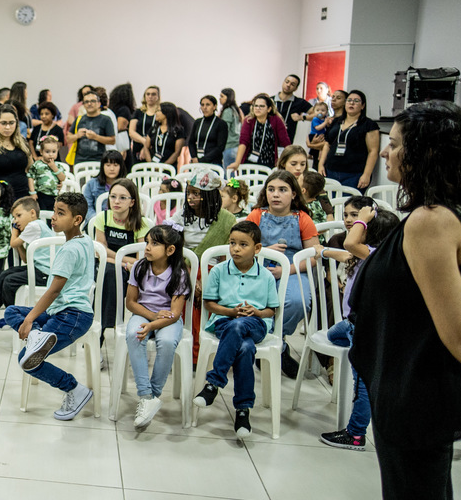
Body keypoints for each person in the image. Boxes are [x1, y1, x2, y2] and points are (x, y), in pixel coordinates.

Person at [345, 102, 461, 500]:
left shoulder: (431, 221)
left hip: (416, 387)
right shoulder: (447, 210)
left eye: (397, 144)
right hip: (411, 380)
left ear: (425, 153)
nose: (388, 154)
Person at [0, 192, 97, 421]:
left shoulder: (69, 250)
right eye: (54, 211)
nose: (53, 217)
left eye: (60, 213)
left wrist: (31, 318)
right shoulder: (83, 241)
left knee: (26, 359)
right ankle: (37, 336)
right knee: (12, 311)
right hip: (63, 312)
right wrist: (30, 319)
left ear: (77, 219)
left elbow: (53, 290)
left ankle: (74, 388)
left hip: (73, 316)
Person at [317, 203, 399, 452]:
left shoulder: (375, 253)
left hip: (364, 328)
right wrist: (323, 252)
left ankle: (355, 434)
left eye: (360, 226)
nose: (353, 225)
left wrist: (363, 218)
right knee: (334, 334)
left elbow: (349, 245)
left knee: (361, 381)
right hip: (352, 323)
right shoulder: (373, 254)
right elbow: (344, 252)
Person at [193, 220, 281, 438]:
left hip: (257, 324)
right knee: (244, 347)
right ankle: (243, 410)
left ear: (257, 249)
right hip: (225, 321)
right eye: (232, 243)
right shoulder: (219, 271)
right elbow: (209, 304)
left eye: (243, 244)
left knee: (241, 325)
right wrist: (232, 312)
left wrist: (257, 312)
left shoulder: (266, 276)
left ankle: (214, 382)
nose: (236, 248)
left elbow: (272, 310)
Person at [246, 170, 320, 377]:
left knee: (297, 301)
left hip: (293, 270)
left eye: (282, 190)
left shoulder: (302, 218)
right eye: (271, 189)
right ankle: (275, 347)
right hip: (259, 268)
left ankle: (275, 339)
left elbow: (313, 256)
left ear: (294, 194)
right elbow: (240, 246)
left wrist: (286, 270)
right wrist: (265, 249)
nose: (276, 194)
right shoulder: (256, 215)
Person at [125, 224, 192, 428]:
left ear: (170, 250)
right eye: (147, 242)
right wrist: (152, 319)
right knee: (134, 334)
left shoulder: (179, 274)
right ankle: (146, 396)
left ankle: (154, 394)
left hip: (169, 318)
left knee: (167, 341)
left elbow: (175, 314)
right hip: (145, 312)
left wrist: (155, 325)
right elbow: (131, 303)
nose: (147, 247)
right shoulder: (139, 266)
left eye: (154, 244)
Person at [0, 196, 55, 325]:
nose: (15, 220)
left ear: (32, 213)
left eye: (18, 215)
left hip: (45, 273)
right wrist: (19, 240)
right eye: (14, 217)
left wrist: (14, 231)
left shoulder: (34, 226)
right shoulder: (34, 227)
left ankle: (12, 318)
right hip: (37, 268)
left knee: (9, 282)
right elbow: (25, 258)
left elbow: (12, 243)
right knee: (5, 274)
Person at [91, 180, 153, 334]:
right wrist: (123, 261)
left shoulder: (142, 223)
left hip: (129, 270)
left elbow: (140, 259)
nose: (116, 201)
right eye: (113, 196)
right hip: (109, 265)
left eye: (122, 198)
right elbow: (100, 252)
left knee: (112, 274)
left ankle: (100, 327)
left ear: (132, 202)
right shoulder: (103, 218)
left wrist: (117, 259)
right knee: (109, 272)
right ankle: (105, 325)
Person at [319, 89, 380, 191]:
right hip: (330, 170)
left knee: (348, 204)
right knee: (328, 204)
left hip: (353, 174)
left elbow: (373, 151)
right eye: (349, 100)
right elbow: (327, 144)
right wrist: (321, 164)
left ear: (363, 106)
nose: (352, 103)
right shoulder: (336, 122)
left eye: (356, 101)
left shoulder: (369, 125)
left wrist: (366, 174)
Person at [178, 172, 237, 256]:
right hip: (186, 263)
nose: (190, 197)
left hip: (215, 266)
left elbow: (225, 254)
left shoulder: (227, 219)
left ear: (208, 196)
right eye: (188, 193)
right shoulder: (181, 216)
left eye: (195, 193)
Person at [230, 94, 290, 170]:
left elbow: (285, 142)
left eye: (261, 106)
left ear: (269, 109)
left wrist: (287, 161)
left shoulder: (276, 120)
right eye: (256, 106)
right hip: (249, 161)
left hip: (269, 163)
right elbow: (243, 142)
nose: (258, 108)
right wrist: (237, 162)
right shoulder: (248, 121)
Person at [67, 91, 116, 165]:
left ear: (99, 104)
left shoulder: (106, 119)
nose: (89, 104)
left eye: (92, 101)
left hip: (99, 161)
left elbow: (112, 140)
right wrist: (77, 135)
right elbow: (68, 139)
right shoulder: (79, 119)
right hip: (80, 161)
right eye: (86, 102)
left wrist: (95, 137)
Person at [28, 136, 65, 212]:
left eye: (54, 152)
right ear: (41, 151)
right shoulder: (37, 165)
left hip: (54, 195)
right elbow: (30, 177)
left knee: (53, 214)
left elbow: (62, 178)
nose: (51, 154)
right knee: (42, 213)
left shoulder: (58, 166)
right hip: (41, 195)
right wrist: (32, 192)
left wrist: (54, 168)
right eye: (47, 152)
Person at [189, 95, 228, 167]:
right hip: (197, 162)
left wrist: (202, 160)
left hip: (214, 163)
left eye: (208, 105)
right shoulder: (198, 122)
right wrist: (194, 157)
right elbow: (191, 142)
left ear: (214, 106)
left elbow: (220, 147)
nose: (205, 107)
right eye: (202, 105)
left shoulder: (221, 124)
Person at [272, 74, 312, 142]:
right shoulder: (270, 100)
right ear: (283, 82)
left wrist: (302, 118)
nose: (288, 85)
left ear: (296, 88)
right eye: (287, 82)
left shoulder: (300, 102)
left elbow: (319, 115)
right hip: (268, 142)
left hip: (286, 143)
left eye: (292, 84)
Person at [128, 85, 162, 165]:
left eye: (153, 94)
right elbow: (131, 132)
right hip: (138, 146)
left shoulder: (160, 113)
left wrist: (147, 146)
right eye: (148, 94)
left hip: (154, 147)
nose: (150, 97)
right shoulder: (138, 112)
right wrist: (144, 142)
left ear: (158, 97)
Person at [147, 102, 185, 169]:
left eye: (158, 110)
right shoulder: (153, 129)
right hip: (152, 166)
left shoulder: (178, 131)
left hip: (168, 167)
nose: (156, 113)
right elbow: (146, 147)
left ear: (166, 113)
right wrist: (151, 164)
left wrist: (163, 167)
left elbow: (177, 152)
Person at [219, 88, 245, 169]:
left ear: (228, 97)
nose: (220, 98)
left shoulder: (227, 111)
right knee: (233, 173)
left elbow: (224, 129)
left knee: (229, 175)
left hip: (229, 146)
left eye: (222, 96)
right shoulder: (236, 109)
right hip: (236, 145)